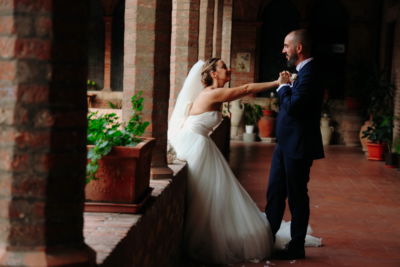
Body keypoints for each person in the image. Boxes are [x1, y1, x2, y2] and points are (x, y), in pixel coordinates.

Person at [168, 58, 320, 264]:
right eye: (223, 67)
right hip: (196, 145)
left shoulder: (211, 94)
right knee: (209, 196)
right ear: (213, 74)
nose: (228, 69)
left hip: (200, 144)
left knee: (214, 196)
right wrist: (277, 83)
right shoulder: (213, 93)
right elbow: (247, 88)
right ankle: (208, 241)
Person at [265, 29, 324, 260]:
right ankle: (267, 237)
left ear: (298, 48)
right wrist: (289, 85)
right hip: (285, 143)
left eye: (286, 45)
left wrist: (283, 88)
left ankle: (297, 244)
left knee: (297, 195)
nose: (283, 50)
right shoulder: (302, 71)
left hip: (299, 145)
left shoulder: (311, 72)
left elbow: (295, 107)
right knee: (275, 192)